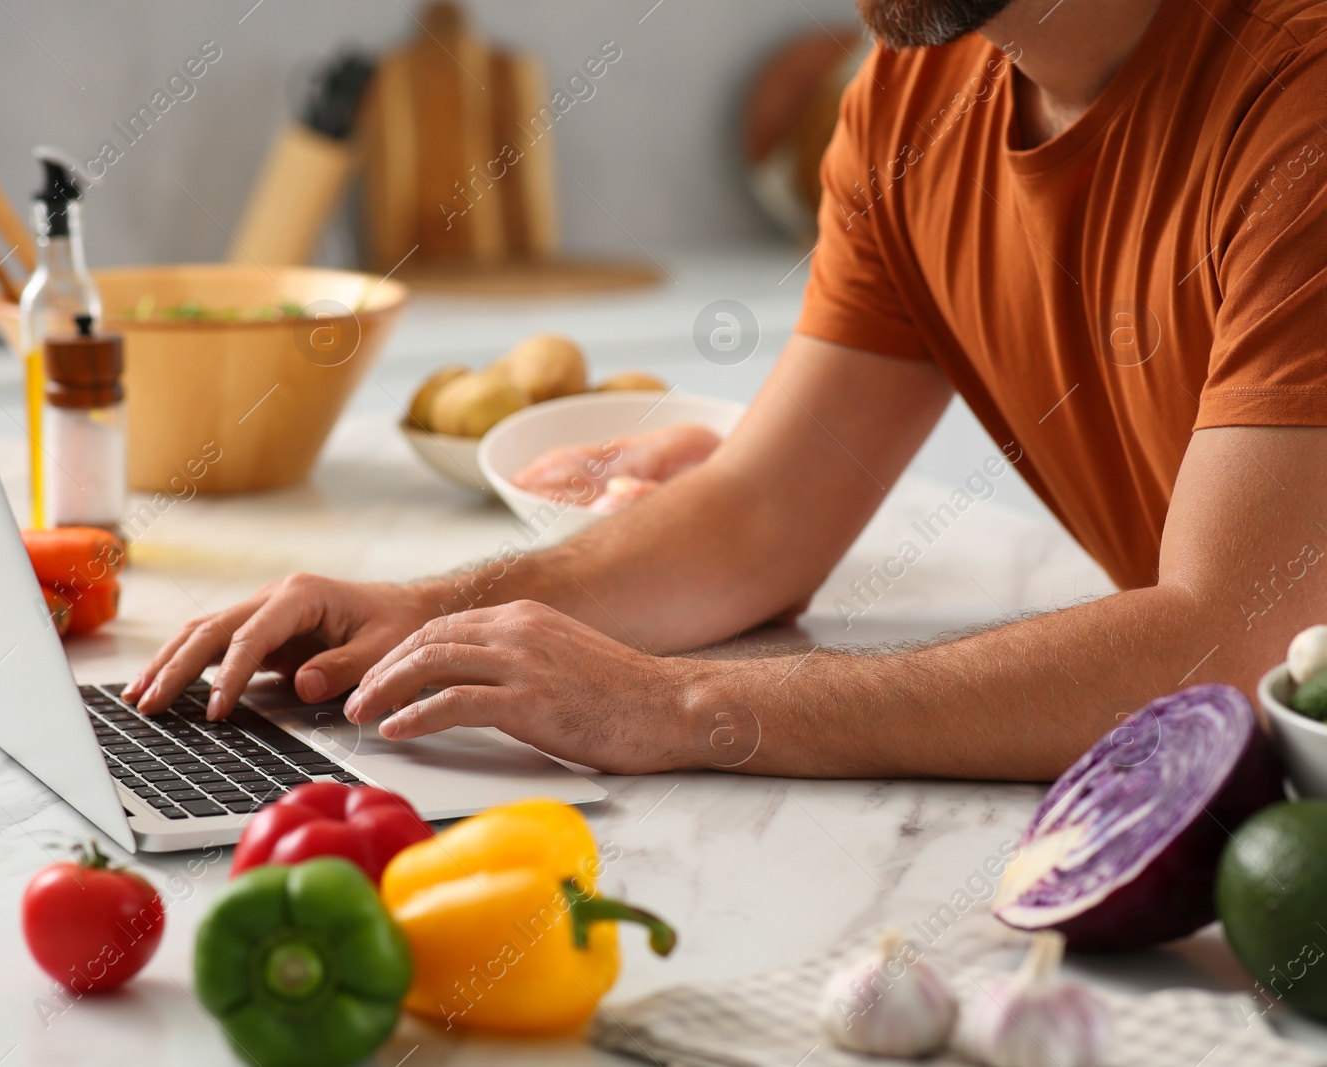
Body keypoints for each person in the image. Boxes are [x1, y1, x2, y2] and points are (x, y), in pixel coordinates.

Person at [126, 0, 1327, 781]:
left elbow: (1225, 638)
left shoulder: (1300, 91)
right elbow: (762, 512)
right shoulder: (911, 101)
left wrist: (684, 703)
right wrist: (426, 607)